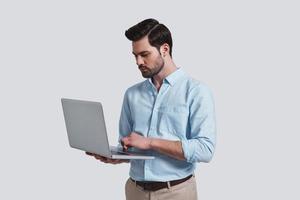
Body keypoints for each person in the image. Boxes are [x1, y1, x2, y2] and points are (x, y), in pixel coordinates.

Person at [86, 18, 216, 200]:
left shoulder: (196, 91)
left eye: (144, 54)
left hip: (176, 192)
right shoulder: (132, 94)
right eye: (135, 55)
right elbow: (130, 147)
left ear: (164, 49)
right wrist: (116, 157)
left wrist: (149, 142)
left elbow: (205, 149)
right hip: (135, 190)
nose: (138, 61)